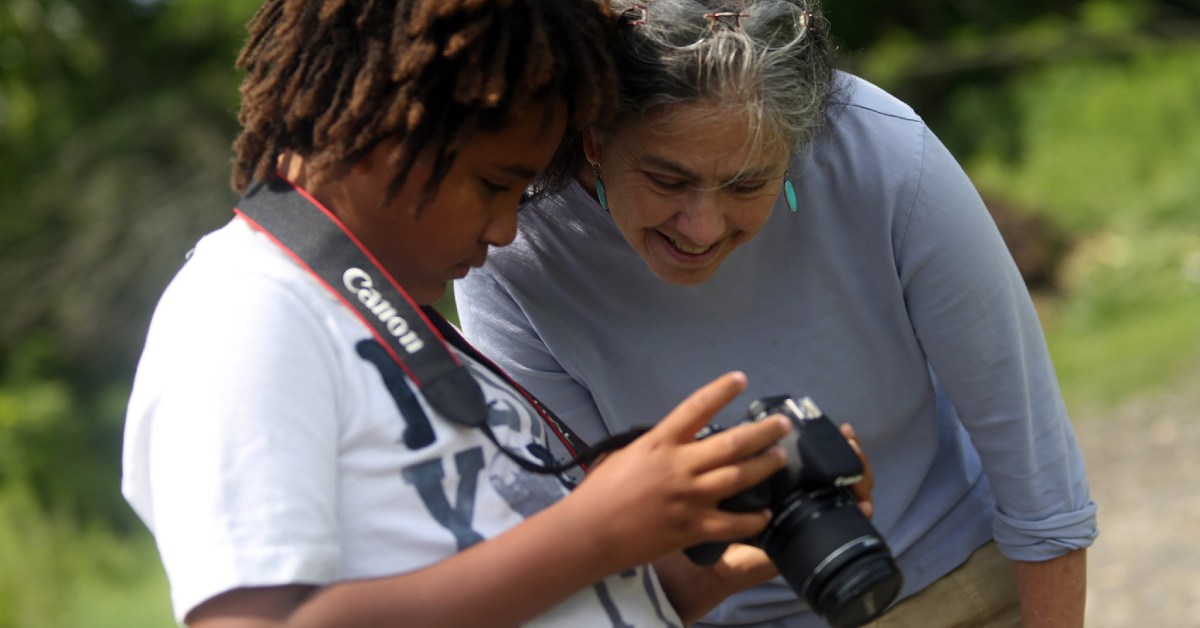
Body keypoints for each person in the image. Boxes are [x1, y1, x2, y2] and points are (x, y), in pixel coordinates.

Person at [119, 1, 849, 625]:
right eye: (494, 185)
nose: (505, 231)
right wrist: (594, 531)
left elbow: (514, 585)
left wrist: (691, 572)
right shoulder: (247, 312)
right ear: (383, 125)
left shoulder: (375, 316)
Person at [454, 0, 1098, 626]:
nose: (700, 228)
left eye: (746, 183)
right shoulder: (513, 244)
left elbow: (1035, 467)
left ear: (796, 146)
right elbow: (586, 547)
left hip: (960, 582)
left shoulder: (883, 153)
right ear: (595, 136)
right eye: (667, 180)